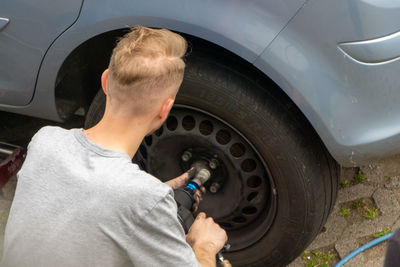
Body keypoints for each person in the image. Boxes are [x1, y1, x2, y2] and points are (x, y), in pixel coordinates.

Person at [1, 26, 227, 267]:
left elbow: (93, 198)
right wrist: (205, 245)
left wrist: (159, 196)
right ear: (165, 109)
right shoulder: (144, 199)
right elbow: (132, 200)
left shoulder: (45, 141)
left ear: (106, 81)